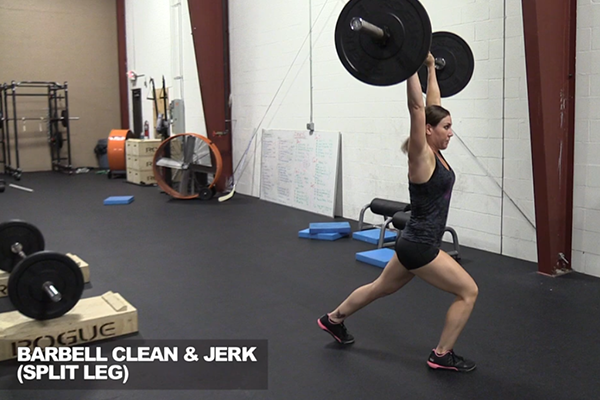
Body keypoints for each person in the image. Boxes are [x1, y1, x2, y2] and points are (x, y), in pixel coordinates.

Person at [317, 53, 479, 373]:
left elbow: (431, 104)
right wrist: (408, 65)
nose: (451, 132)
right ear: (428, 130)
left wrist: (430, 67)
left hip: (412, 242)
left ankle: (333, 319)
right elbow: (417, 108)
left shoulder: (435, 150)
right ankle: (442, 354)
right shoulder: (421, 157)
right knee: (468, 292)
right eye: (447, 127)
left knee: (380, 287)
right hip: (421, 246)